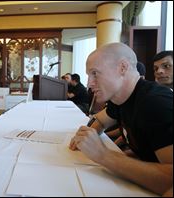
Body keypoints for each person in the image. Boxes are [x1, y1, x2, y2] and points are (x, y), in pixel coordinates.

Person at [69, 42, 173, 196]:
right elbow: (100, 121)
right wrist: (87, 134)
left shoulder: (157, 103)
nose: (89, 84)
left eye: (95, 73)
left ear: (122, 68)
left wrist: (103, 155)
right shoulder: (119, 99)